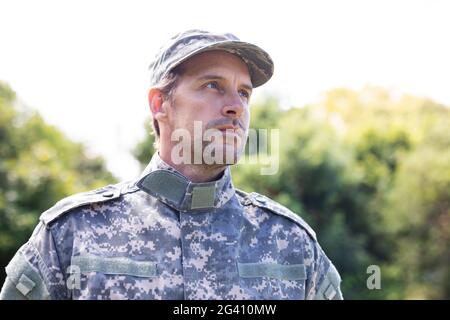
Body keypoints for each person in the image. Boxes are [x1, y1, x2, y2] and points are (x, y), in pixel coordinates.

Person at [0, 29, 343, 300]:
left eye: (244, 93)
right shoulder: (69, 235)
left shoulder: (293, 245)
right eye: (213, 86)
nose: (236, 106)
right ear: (160, 103)